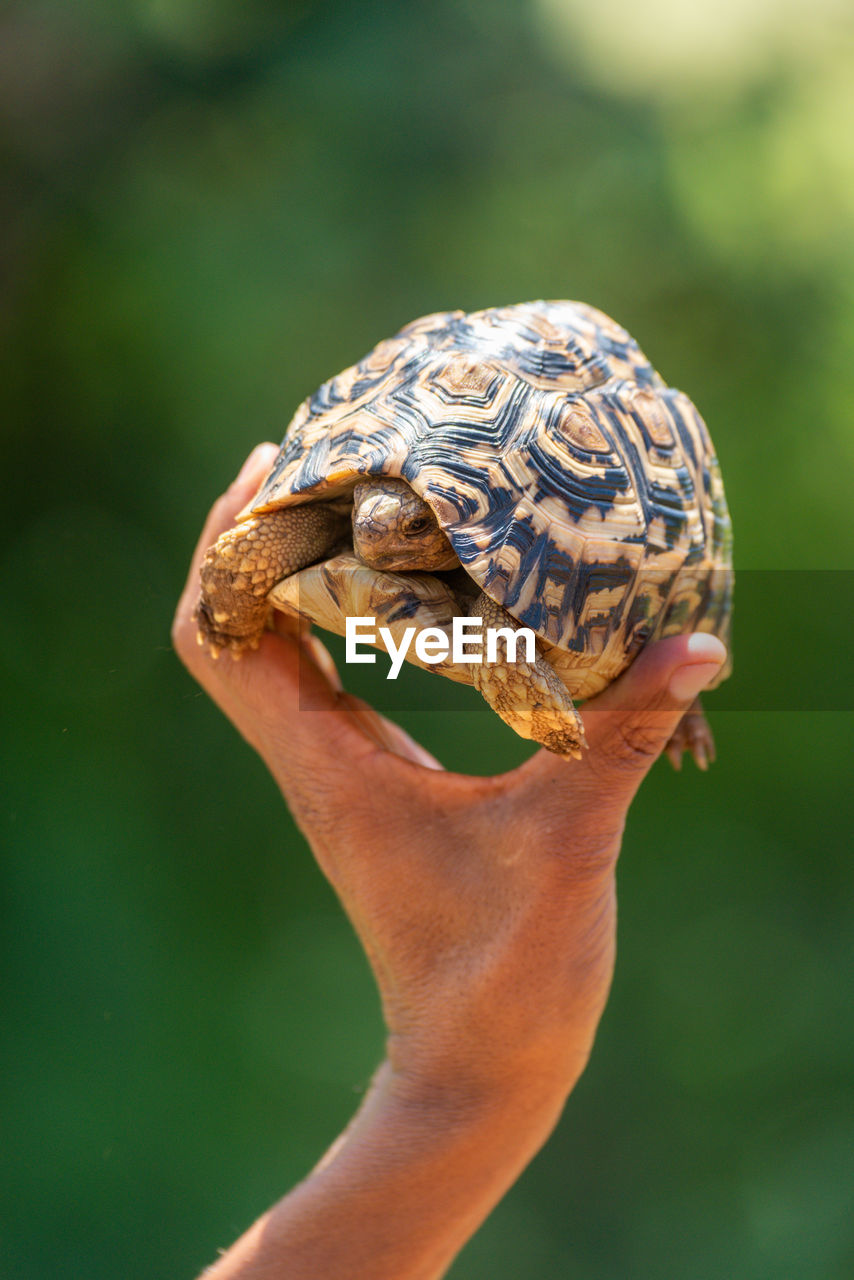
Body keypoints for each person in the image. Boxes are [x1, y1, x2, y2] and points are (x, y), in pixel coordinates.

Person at [172, 444, 727, 1280]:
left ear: (455, 527)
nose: (384, 531)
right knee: (255, 553)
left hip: (529, 566)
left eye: (415, 521)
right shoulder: (348, 519)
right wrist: (473, 1095)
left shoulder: (483, 571)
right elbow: (262, 549)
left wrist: (462, 1098)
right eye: (372, 513)